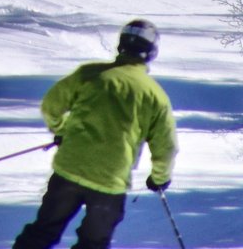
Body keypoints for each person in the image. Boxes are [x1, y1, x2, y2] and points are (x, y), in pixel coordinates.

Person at [12, 18, 178, 249]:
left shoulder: (89, 74)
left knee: (42, 232)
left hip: (69, 171)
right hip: (110, 183)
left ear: (122, 44)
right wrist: (160, 178)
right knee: (93, 244)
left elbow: (51, 105)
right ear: (151, 52)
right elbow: (166, 146)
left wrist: (63, 131)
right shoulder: (155, 96)